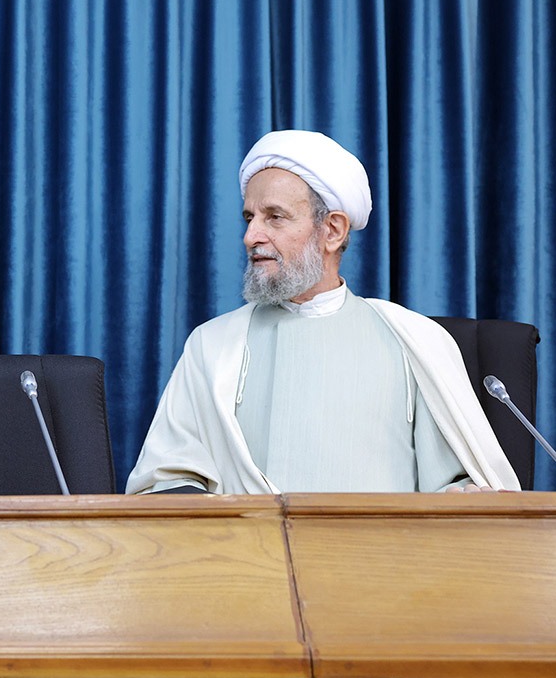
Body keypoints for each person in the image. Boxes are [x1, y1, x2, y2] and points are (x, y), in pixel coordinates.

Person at [126, 129, 518, 494]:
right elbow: (168, 482)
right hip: (243, 547)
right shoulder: (211, 346)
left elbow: (453, 490)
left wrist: (467, 496)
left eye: (274, 217)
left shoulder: (413, 342)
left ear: (332, 231)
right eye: (249, 218)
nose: (251, 236)